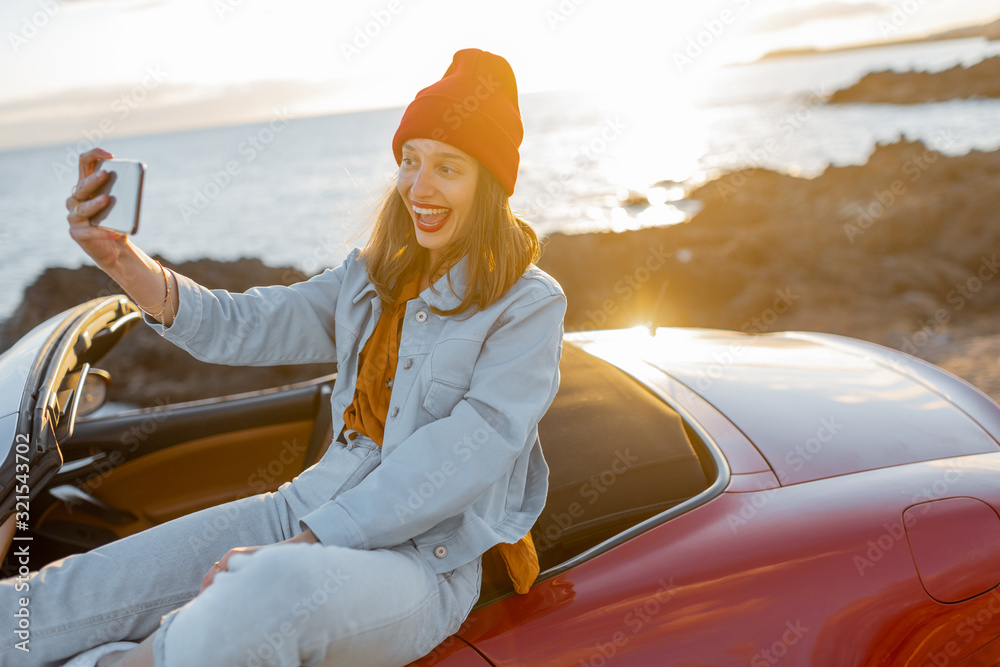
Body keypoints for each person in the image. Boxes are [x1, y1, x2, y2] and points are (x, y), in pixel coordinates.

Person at [0, 48, 565, 667]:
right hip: (301, 507)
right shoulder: (369, 278)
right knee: (44, 601)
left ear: (490, 184)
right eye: (410, 161)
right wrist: (118, 259)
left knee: (262, 596)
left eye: (447, 168)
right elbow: (237, 326)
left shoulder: (528, 305)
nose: (417, 187)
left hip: (422, 563)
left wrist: (311, 542)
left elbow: (467, 449)